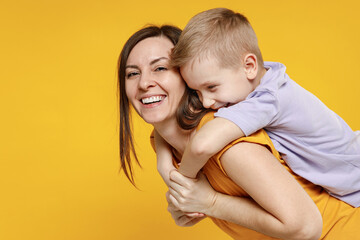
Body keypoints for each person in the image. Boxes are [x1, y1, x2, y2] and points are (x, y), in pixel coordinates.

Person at [118, 25, 360, 239]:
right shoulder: (166, 141)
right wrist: (177, 188)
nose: (144, 83)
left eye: (160, 68)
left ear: (186, 74)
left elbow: (306, 227)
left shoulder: (226, 141)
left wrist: (205, 200)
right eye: (132, 73)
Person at [155, 8, 360, 207]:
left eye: (211, 87)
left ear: (250, 66)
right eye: (197, 92)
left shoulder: (267, 99)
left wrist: (183, 184)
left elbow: (202, 145)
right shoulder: (260, 79)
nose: (206, 102)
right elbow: (162, 126)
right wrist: (163, 164)